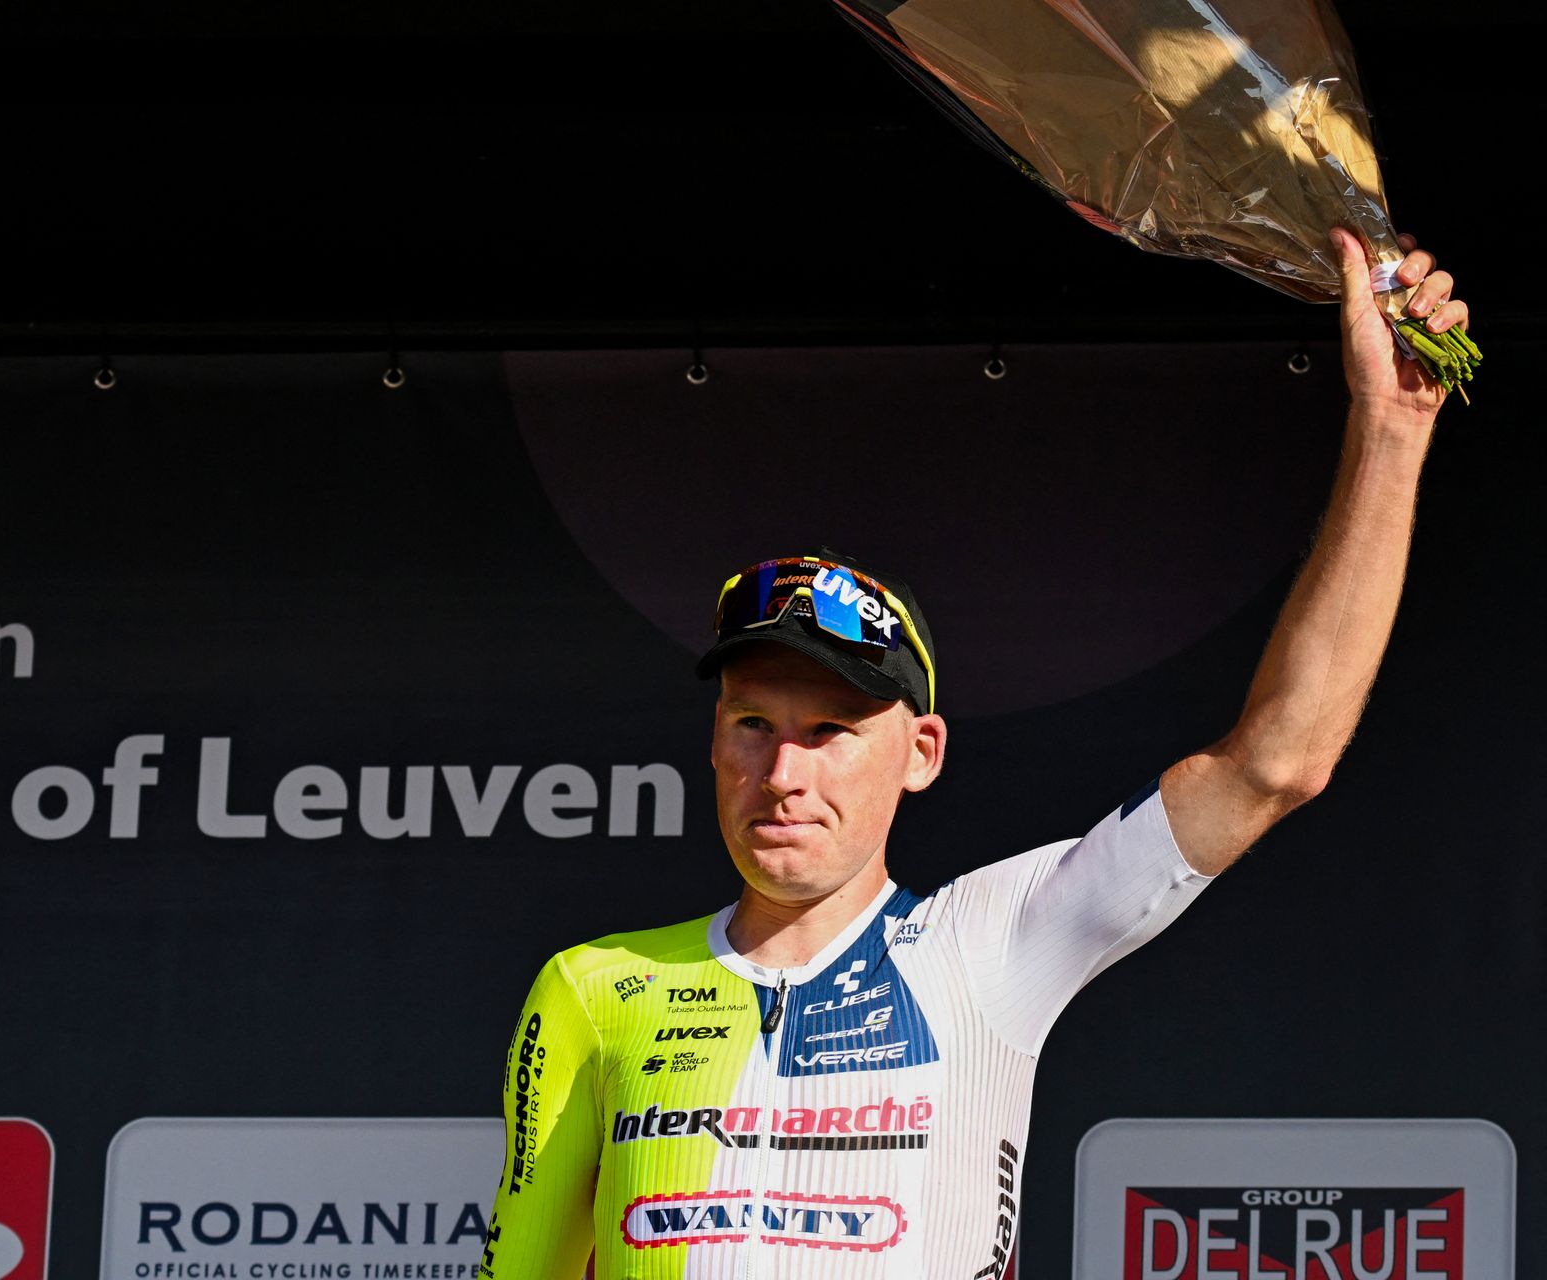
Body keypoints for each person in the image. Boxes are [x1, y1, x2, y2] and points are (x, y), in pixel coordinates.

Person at [477, 227, 1469, 1279]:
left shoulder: (994, 942)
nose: (784, 773)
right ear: (715, 738)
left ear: (921, 750)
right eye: (753, 724)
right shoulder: (595, 987)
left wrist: (1393, 428)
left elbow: (1276, 762)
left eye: (832, 730)